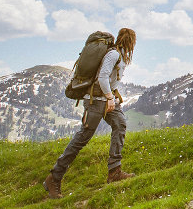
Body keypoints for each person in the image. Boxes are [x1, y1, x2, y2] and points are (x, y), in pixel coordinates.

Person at [43, 27, 136, 199]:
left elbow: (110, 80)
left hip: (107, 101)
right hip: (96, 102)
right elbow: (102, 77)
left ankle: (114, 171)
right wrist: (109, 97)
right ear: (130, 41)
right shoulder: (114, 54)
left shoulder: (119, 55)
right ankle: (54, 178)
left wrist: (113, 98)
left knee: (120, 124)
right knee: (82, 138)